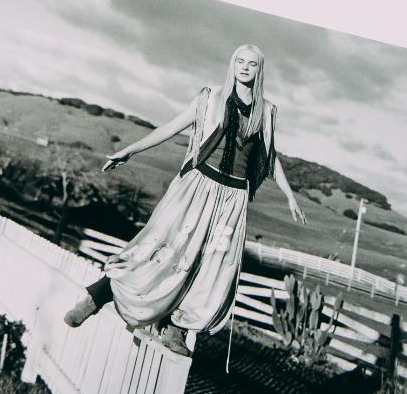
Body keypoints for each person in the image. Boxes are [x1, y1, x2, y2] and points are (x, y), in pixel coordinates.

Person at [64, 44, 307, 356]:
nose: (245, 67)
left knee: (210, 265)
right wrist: (130, 150)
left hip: (232, 199)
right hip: (197, 187)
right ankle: (96, 296)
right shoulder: (210, 97)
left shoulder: (267, 112)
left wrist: (289, 196)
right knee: (162, 249)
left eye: (253, 64)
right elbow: (171, 127)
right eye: (240, 61)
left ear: (260, 71)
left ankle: (175, 328)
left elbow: (270, 158)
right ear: (232, 65)